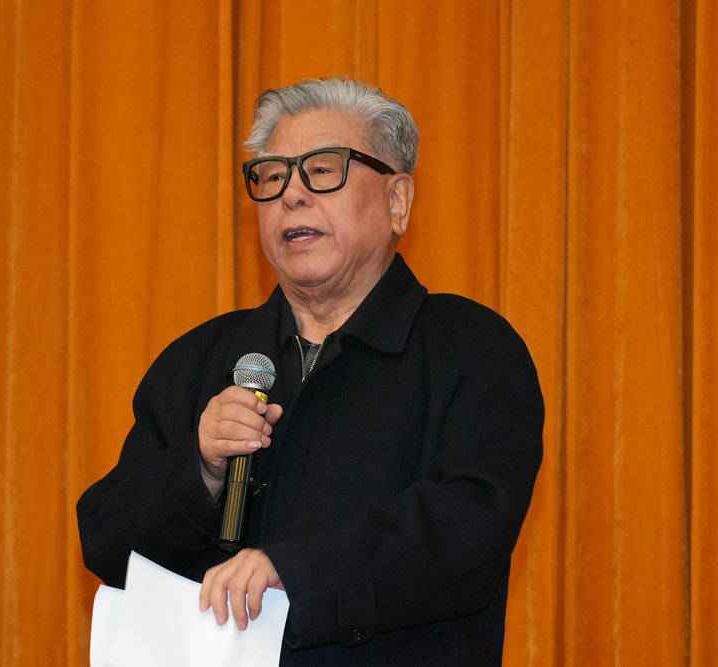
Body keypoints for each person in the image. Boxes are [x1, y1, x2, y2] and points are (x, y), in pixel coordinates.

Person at [77, 77, 543, 665]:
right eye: (272, 176)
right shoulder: (201, 357)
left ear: (398, 201)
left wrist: (294, 572)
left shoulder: (470, 348)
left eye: (323, 170)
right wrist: (200, 468)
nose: (291, 195)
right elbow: (107, 543)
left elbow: (467, 533)